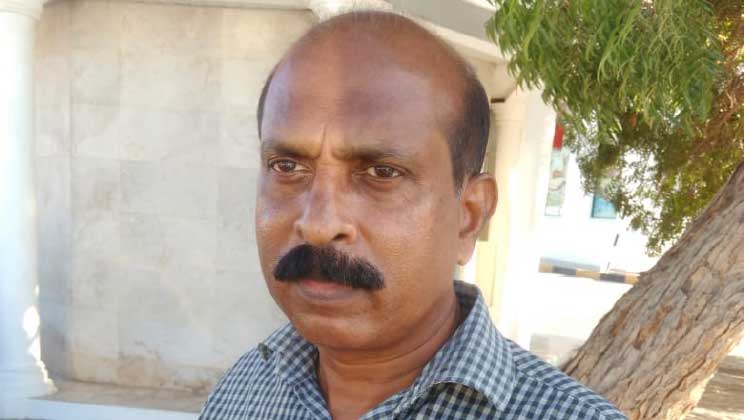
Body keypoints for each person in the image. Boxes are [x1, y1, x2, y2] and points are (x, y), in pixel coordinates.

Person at [199, 10, 626, 420]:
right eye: (287, 166)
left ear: (469, 216)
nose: (318, 225)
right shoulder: (242, 393)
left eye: (381, 173)